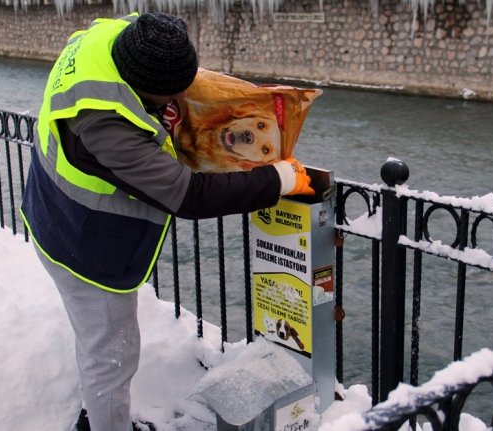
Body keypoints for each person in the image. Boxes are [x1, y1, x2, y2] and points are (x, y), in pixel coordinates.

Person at [20, 11, 314, 431]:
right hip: (81, 247)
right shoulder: (104, 127)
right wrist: (277, 179)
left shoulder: (120, 37)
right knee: (111, 358)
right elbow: (189, 196)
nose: (174, 102)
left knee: (97, 345)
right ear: (143, 86)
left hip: (52, 209)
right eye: (167, 97)